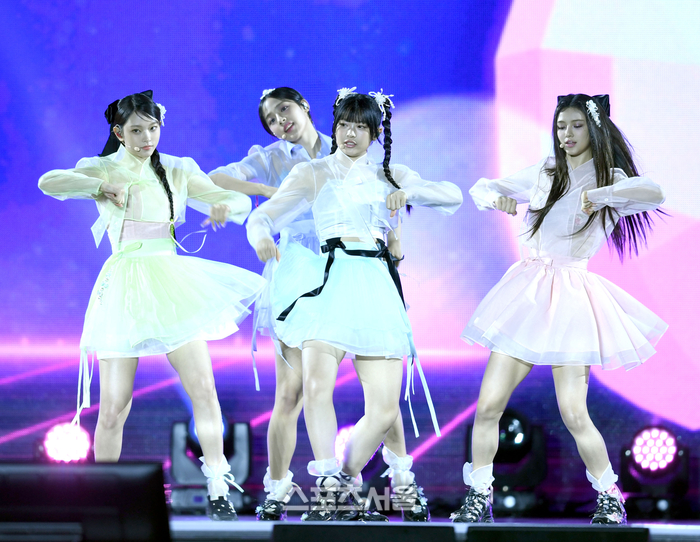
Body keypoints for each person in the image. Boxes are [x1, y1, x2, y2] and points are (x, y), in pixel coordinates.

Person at [38, 91, 266, 521]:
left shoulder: (178, 168)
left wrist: (226, 205)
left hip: (172, 282)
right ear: (119, 132)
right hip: (125, 284)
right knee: (114, 405)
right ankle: (103, 494)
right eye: (137, 130)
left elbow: (231, 198)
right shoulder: (103, 166)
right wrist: (100, 186)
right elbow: (48, 182)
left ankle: (218, 486)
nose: (147, 138)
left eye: (153, 128)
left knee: (203, 387)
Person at [210, 87, 430, 521]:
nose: (280, 121)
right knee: (293, 391)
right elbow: (220, 179)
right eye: (270, 119)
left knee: (382, 387)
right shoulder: (275, 159)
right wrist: (265, 191)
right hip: (301, 271)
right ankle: (280, 488)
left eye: (284, 110)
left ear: (305, 107)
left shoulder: (348, 145)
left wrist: (395, 236)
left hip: (357, 267)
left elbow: (390, 203)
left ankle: (400, 482)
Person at [452, 94, 667, 524]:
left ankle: (610, 496)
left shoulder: (609, 177)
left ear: (594, 129)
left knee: (573, 412)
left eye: (576, 126)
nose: (566, 134)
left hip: (570, 298)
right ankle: (479, 495)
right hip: (527, 293)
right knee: (489, 404)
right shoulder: (546, 171)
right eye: (560, 126)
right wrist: (496, 198)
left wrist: (602, 194)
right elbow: (483, 187)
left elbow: (654, 193)